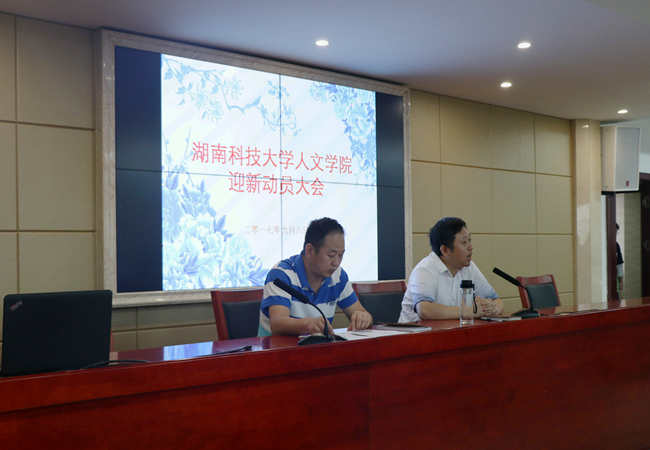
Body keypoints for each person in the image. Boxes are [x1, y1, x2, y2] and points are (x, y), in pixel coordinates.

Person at [258, 217, 373, 336]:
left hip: (317, 346)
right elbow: (277, 324)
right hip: (277, 347)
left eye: (340, 255)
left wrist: (364, 318)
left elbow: (361, 312)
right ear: (310, 251)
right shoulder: (281, 274)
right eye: (331, 255)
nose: (336, 262)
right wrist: (308, 324)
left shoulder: (338, 275)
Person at [399, 217, 502, 322]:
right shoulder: (425, 270)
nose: (471, 247)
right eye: (464, 242)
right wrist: (470, 311)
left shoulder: (469, 267)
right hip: (415, 332)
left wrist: (489, 309)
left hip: (452, 330)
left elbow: (497, 301)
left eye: (469, 240)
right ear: (445, 250)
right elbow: (424, 310)